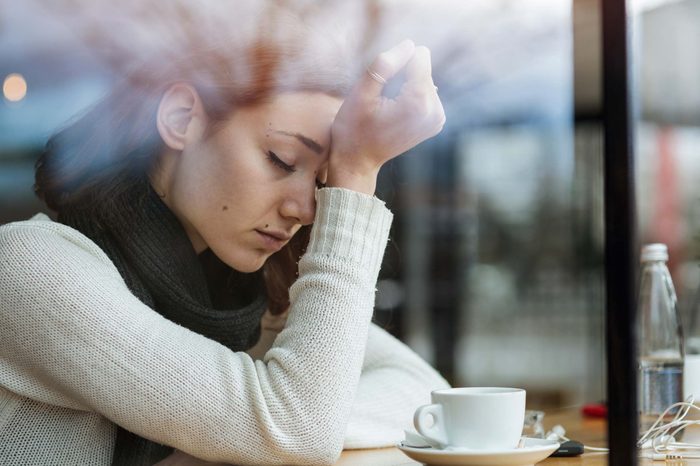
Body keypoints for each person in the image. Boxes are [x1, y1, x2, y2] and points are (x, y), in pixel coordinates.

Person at [0, 5, 448, 465]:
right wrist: (356, 174)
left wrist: (225, 441)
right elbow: (297, 429)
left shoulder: (234, 295)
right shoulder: (31, 269)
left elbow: (428, 396)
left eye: (322, 181)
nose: (307, 209)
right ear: (180, 118)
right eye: (282, 158)